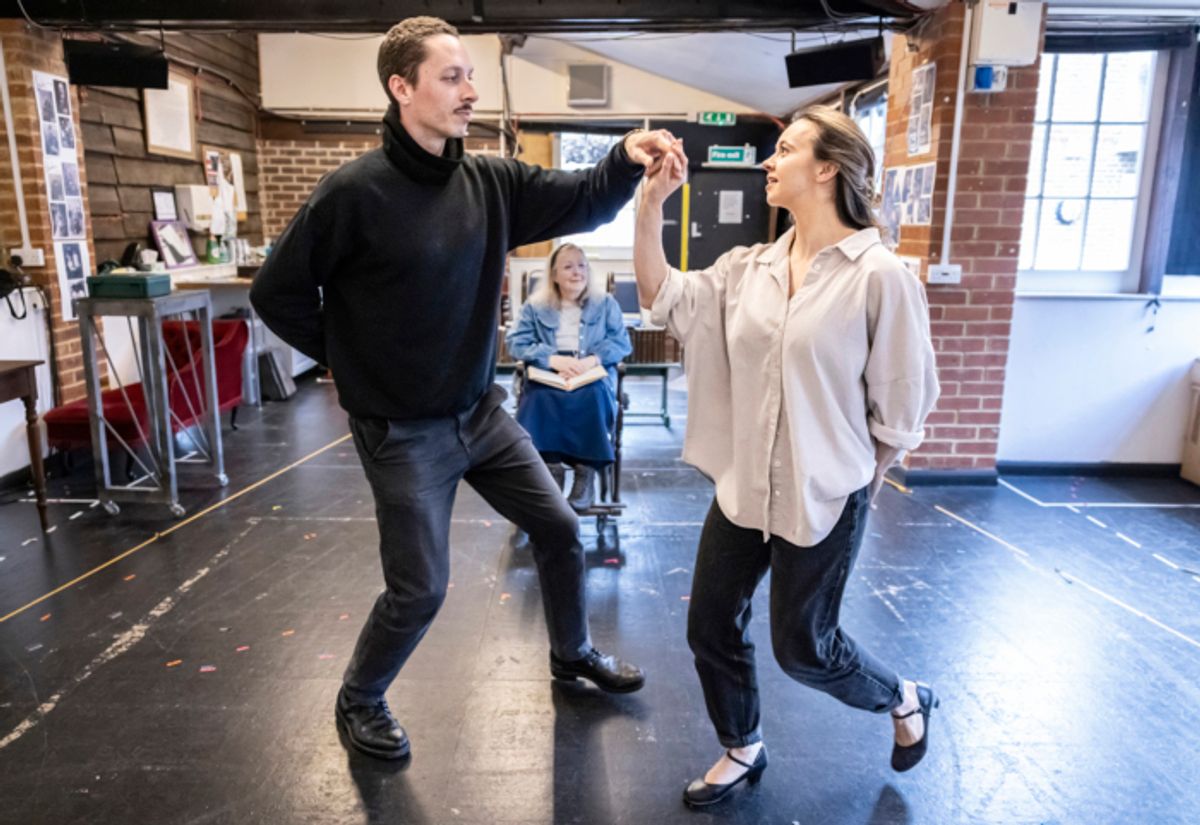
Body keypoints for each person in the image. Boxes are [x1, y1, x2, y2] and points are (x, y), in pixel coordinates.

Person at [251, 16, 679, 761]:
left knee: (561, 528)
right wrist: (352, 366)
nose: (470, 92)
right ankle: (359, 699)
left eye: (470, 76)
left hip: (481, 414)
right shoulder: (351, 194)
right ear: (400, 87)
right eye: (451, 77)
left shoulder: (492, 181)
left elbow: (581, 198)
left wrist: (622, 157)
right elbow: (277, 293)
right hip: (402, 432)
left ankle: (570, 651)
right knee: (419, 589)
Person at [633, 106, 941, 807]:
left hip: (825, 494)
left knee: (804, 648)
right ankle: (742, 745)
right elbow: (662, 296)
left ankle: (903, 695)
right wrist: (651, 206)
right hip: (745, 488)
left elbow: (900, 405)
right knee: (710, 623)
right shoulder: (751, 267)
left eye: (786, 149)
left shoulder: (878, 275)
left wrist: (855, 483)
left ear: (828, 167)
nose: (770, 161)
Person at [506, 243, 632, 511]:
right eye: (568, 266)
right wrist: (551, 358)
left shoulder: (606, 303)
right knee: (539, 396)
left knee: (594, 394)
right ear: (553, 274)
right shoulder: (535, 306)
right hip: (549, 371)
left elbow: (621, 343)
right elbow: (516, 342)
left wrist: (591, 360)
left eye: (582, 265)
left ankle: (585, 475)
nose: (577, 272)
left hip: (590, 371)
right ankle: (551, 470)